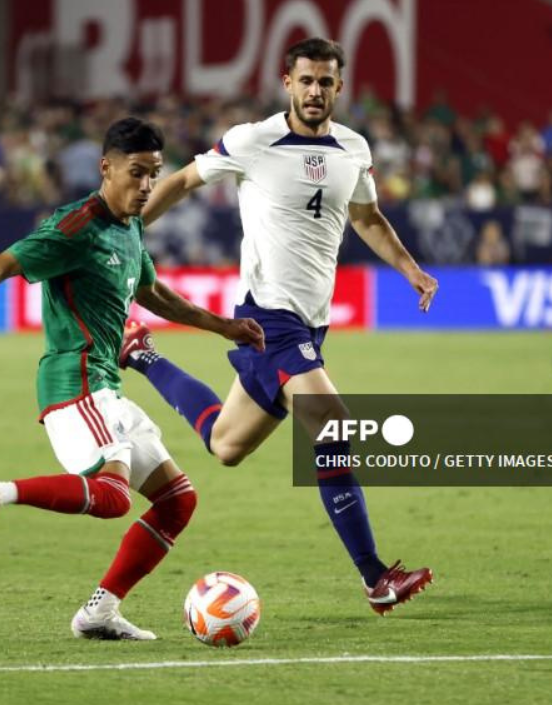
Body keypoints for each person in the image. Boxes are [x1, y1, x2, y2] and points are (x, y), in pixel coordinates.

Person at [0, 118, 264, 641]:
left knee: (179, 501)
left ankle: (99, 612)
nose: (145, 187)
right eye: (136, 174)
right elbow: (2, 264)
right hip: (74, 384)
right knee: (113, 497)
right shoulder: (75, 228)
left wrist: (222, 326)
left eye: (154, 175)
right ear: (106, 168)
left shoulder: (132, 224)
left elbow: (154, 295)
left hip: (105, 385)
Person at [120, 38, 439, 615]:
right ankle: (375, 578)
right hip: (269, 317)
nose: (315, 91)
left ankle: (141, 354)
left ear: (339, 88)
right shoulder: (253, 140)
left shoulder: (353, 149)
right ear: (286, 82)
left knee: (224, 444)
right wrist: (125, 229)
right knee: (334, 430)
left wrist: (409, 267)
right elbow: (185, 180)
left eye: (326, 82)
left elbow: (365, 216)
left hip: (310, 328)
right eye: (306, 81)